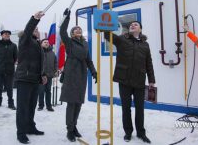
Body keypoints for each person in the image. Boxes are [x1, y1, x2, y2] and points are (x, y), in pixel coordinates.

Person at [104, 21, 155, 143]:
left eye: (136, 24)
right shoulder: (122, 39)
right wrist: (106, 26)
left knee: (140, 109)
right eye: (131, 24)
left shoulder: (145, 45)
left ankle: (141, 133)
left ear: (140, 29)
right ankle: (128, 132)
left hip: (139, 81)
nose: (132, 25)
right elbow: (108, 36)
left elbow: (149, 63)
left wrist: (151, 80)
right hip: (124, 80)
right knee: (126, 108)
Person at [60, 8, 97, 142]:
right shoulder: (69, 42)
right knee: (71, 103)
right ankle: (69, 130)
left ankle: (74, 126)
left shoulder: (85, 43)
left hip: (81, 74)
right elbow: (62, 31)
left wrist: (94, 71)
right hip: (71, 74)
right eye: (76, 30)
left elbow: (88, 59)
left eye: (80, 29)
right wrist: (67, 18)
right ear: (72, 33)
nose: (78, 31)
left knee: (78, 103)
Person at [15, 11, 47, 144]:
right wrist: (34, 19)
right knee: (23, 107)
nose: (37, 31)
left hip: (35, 79)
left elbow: (39, 63)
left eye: (38, 29)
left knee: (31, 106)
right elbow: (28, 30)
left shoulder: (37, 44)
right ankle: (21, 133)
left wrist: (43, 75)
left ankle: (30, 127)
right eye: (35, 29)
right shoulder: (25, 40)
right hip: (24, 79)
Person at [0, 30, 18, 109]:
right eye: (5, 34)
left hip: (9, 71)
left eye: (8, 34)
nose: (7, 35)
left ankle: (11, 104)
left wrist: (10, 63)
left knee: (9, 88)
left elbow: (15, 57)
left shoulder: (13, 45)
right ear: (2, 35)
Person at [38, 38, 57, 112]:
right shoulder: (38, 51)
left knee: (48, 91)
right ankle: (41, 105)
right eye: (44, 42)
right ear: (41, 43)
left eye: (47, 42)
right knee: (41, 91)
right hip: (41, 76)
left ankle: (49, 106)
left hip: (49, 75)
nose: (46, 43)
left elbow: (55, 62)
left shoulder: (52, 53)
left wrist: (55, 70)